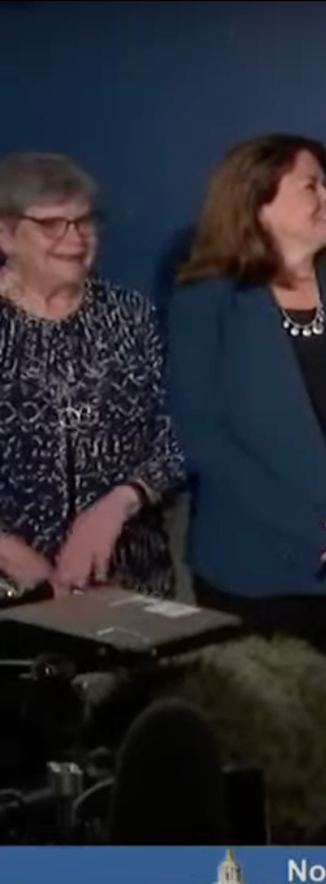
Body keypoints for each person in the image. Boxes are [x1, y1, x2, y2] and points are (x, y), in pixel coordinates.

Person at [167, 133, 326, 842]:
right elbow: (206, 437)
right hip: (256, 571)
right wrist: (320, 528)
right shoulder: (206, 302)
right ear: (258, 202)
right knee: (265, 752)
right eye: (313, 185)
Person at [0, 152, 184, 597]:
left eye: (84, 221)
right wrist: (14, 557)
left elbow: (177, 433)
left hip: (128, 582)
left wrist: (120, 503)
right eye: (52, 224)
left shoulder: (131, 316)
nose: (76, 238)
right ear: (5, 234)